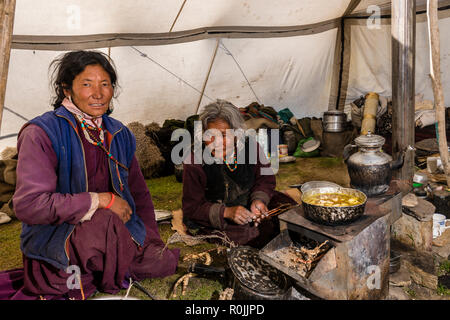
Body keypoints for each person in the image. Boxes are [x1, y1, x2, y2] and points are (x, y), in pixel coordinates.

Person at [1, 50, 179, 300]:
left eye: (105, 84)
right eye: (87, 84)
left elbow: (139, 194)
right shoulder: (41, 133)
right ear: (66, 89)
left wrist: (150, 239)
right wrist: (101, 200)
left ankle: (111, 263)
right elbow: (30, 206)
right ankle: (94, 269)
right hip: (59, 240)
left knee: (161, 262)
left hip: (114, 234)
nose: (98, 93)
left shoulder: (119, 133)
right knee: (104, 226)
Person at [181, 100, 296, 248]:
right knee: (248, 237)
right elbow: (192, 207)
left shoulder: (251, 147)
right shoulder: (194, 161)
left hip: (248, 205)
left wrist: (259, 200)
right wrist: (226, 212)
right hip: (217, 217)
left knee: (288, 212)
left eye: (223, 135)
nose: (216, 142)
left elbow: (265, 179)